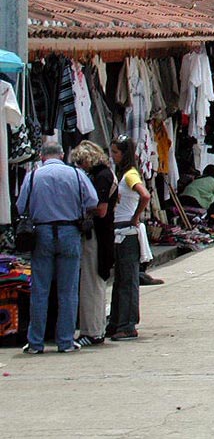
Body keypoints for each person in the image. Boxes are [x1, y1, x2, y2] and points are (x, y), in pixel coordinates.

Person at [17, 143, 99, 354]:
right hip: (70, 232)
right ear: (62, 155)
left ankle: (35, 343)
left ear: (42, 156)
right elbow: (93, 200)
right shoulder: (77, 174)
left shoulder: (34, 176)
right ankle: (65, 341)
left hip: (42, 233)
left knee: (40, 290)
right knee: (68, 290)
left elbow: (20, 206)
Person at [71, 141, 118, 347]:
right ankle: (96, 329)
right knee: (96, 283)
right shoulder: (107, 174)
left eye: (81, 162)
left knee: (91, 284)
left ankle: (91, 331)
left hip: (97, 236)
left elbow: (101, 210)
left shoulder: (101, 177)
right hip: (104, 235)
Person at [108, 135, 151, 342]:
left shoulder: (130, 175)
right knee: (120, 280)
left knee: (127, 281)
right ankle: (116, 322)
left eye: (116, 152)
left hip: (127, 233)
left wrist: (135, 217)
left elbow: (145, 195)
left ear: (124, 154)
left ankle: (127, 324)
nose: (113, 155)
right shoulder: (123, 174)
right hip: (120, 232)